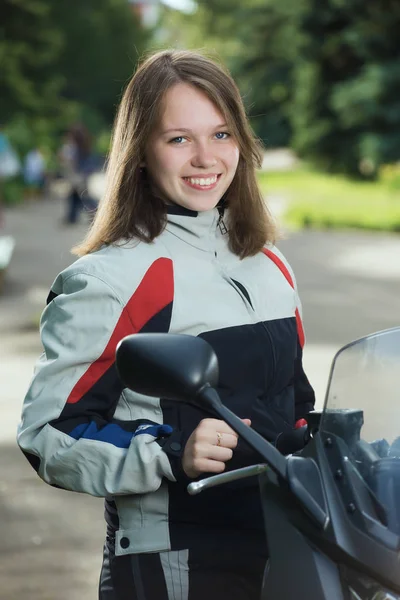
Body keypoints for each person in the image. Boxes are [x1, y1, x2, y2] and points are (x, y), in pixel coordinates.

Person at [17, 49, 315, 600]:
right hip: (178, 559)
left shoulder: (268, 262)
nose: (206, 157)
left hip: (292, 542)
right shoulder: (112, 279)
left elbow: (292, 404)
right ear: (140, 153)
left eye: (221, 134)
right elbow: (48, 434)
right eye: (179, 139)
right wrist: (169, 452)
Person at [58, 123, 97, 224]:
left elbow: (71, 162)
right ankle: (72, 217)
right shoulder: (84, 145)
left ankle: (95, 214)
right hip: (83, 174)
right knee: (76, 195)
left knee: (83, 196)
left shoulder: (74, 147)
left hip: (79, 176)